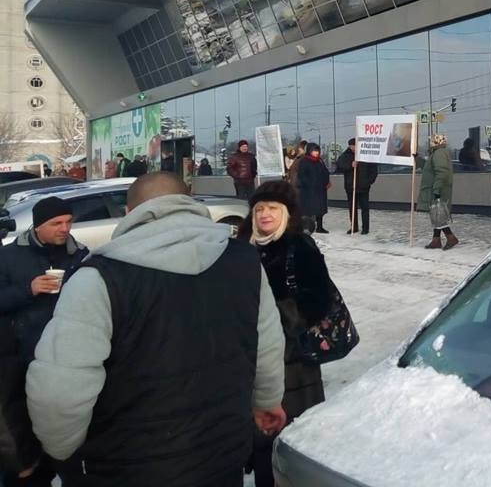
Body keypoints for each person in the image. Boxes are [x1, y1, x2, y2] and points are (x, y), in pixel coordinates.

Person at [26, 172, 286, 487]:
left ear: (129, 213)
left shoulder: (98, 278)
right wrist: (268, 402)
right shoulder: (244, 260)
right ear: (189, 205)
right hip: (222, 454)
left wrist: (64, 451)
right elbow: (268, 346)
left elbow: (58, 393)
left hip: (127, 467)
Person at [237, 181, 332, 487]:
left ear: (286, 213)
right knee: (259, 440)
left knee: (291, 438)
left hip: (293, 362)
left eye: (273, 209)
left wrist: (274, 318)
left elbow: (319, 299)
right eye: (260, 208)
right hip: (247, 357)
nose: (265, 214)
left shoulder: (299, 246)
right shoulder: (240, 246)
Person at [0, 197, 89, 486]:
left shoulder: (80, 255)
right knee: (23, 413)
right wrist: (29, 289)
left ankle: (64, 463)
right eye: (56, 223)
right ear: (38, 226)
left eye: (68, 221)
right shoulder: (9, 256)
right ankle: (29, 466)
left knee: (61, 412)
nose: (65, 228)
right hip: (21, 350)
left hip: (66, 350)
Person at [418, 134, 458, 250]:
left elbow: (442, 172)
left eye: (431, 141)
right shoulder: (436, 153)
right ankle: (436, 240)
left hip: (437, 189)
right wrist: (417, 159)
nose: (429, 143)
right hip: (437, 188)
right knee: (436, 214)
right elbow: (428, 167)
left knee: (438, 214)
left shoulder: (439, 153)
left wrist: (436, 189)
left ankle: (451, 238)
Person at [336, 139, 377, 235]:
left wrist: (368, 182)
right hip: (350, 186)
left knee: (364, 208)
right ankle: (354, 227)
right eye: (351, 146)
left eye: (354, 146)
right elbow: (339, 166)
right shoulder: (345, 155)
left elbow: (373, 170)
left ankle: (365, 228)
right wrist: (350, 165)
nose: (353, 148)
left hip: (363, 186)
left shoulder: (365, 154)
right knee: (352, 208)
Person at [297, 143, 330, 234]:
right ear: (309, 151)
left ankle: (320, 227)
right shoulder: (304, 161)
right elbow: (302, 176)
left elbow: (325, 172)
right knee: (308, 210)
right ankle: (307, 227)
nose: (316, 153)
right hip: (309, 190)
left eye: (317, 151)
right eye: (314, 151)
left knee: (320, 209)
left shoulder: (320, 161)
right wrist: (309, 184)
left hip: (320, 189)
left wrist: (326, 182)